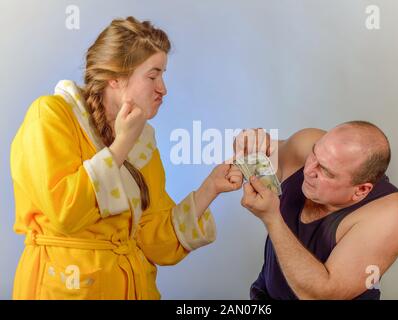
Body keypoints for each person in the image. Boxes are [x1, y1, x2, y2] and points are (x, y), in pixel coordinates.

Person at [10, 16, 243, 300]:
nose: (163, 88)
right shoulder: (50, 115)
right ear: (115, 78)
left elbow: (154, 242)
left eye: (163, 75)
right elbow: (65, 213)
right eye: (153, 75)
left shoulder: (143, 143)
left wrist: (211, 188)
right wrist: (121, 144)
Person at [237, 122, 398, 299]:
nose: (309, 170)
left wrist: (272, 220)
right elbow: (264, 152)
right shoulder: (308, 144)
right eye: (314, 154)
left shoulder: (389, 215)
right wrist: (250, 142)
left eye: (326, 171)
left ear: (361, 190)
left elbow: (322, 295)